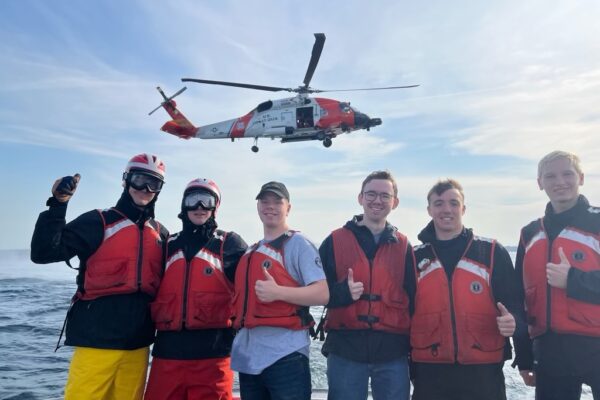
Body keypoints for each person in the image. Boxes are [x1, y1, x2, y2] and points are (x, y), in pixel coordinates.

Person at [30, 153, 169, 400]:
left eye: (154, 184)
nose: (146, 189)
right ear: (126, 181)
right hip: (96, 343)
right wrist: (58, 204)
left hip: (138, 346)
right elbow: (43, 252)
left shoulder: (160, 234)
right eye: (139, 180)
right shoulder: (98, 221)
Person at [411, 179, 525, 400]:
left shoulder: (492, 251)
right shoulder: (414, 257)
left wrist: (515, 322)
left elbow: (516, 305)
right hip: (429, 367)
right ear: (429, 209)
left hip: (484, 369)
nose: (447, 209)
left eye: (454, 203)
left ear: (463, 208)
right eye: (439, 203)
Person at [144, 178, 247, 400]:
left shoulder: (230, 244)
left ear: (215, 206)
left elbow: (252, 285)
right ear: (184, 205)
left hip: (214, 356)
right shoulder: (167, 245)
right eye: (193, 200)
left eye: (206, 200)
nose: (199, 207)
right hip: (167, 356)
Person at [319, 170, 416, 400]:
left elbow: (415, 299)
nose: (377, 200)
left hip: (393, 353)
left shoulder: (404, 246)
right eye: (371, 194)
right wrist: (342, 293)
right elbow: (314, 292)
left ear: (395, 202)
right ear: (360, 198)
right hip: (345, 350)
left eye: (385, 195)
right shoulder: (333, 241)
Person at [230, 181, 329, 400]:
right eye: (265, 201)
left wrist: (278, 293)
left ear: (288, 208)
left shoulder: (299, 244)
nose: (270, 206)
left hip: (286, 357)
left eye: (277, 201)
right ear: (258, 207)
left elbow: (323, 293)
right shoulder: (251, 250)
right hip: (250, 359)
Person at [515, 150, 600, 400]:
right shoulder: (529, 233)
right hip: (550, 348)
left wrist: (572, 280)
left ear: (581, 178)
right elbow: (520, 297)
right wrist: (524, 356)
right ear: (540, 183)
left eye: (567, 174)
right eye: (550, 176)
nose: (559, 181)